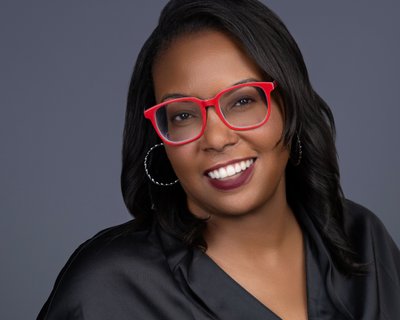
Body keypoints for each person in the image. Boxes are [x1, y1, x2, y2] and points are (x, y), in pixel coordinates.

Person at [37, 0, 400, 319]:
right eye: (183, 115)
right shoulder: (108, 289)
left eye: (242, 101)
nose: (216, 138)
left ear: (289, 108)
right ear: (160, 138)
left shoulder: (360, 237)